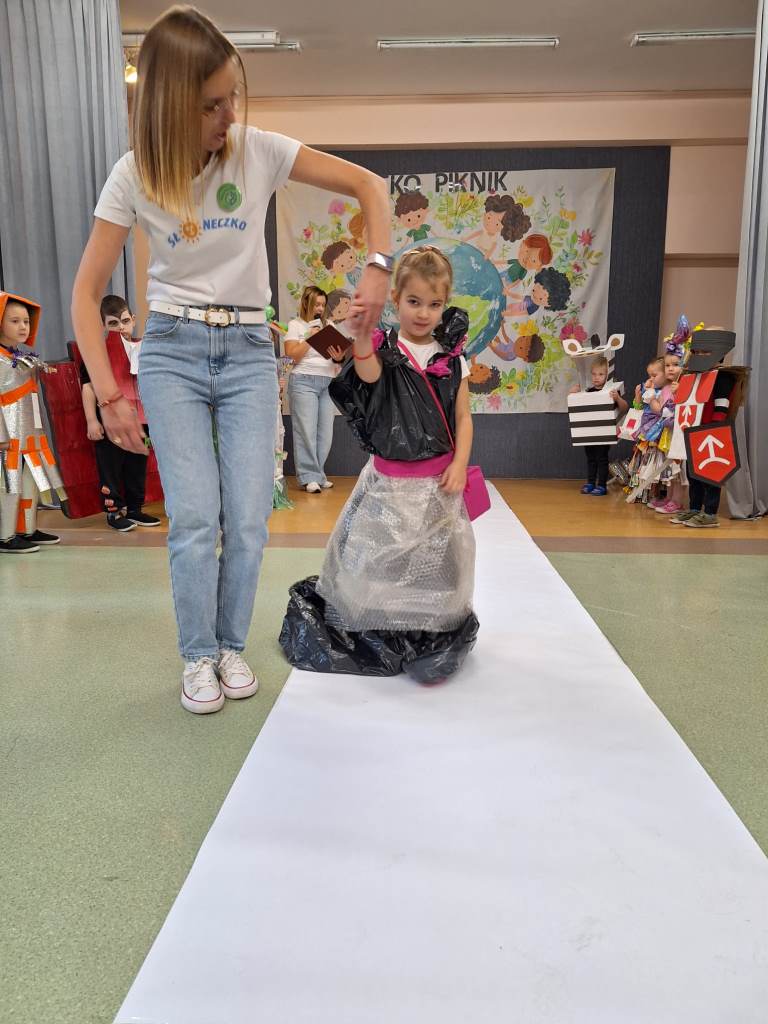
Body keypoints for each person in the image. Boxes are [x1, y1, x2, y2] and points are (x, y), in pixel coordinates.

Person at [71, 4, 391, 714]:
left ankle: (228, 646)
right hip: (172, 351)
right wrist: (110, 394)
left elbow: (370, 186)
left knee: (247, 517)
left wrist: (377, 267)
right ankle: (196, 655)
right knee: (194, 516)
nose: (229, 116)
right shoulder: (133, 175)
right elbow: (85, 295)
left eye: (232, 97)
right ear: (168, 105)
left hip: (248, 349)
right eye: (211, 105)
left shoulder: (259, 151)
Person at [280, 246, 479, 683]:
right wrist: (360, 331)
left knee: (437, 560)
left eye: (434, 304)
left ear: (445, 304)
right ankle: (383, 625)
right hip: (387, 485)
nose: (423, 313)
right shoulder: (385, 348)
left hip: (438, 484)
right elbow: (368, 374)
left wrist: (461, 462)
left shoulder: (452, 358)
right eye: (414, 301)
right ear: (395, 299)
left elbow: (463, 417)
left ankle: (431, 628)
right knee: (378, 557)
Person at [80, 295, 161, 532]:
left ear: (133, 320)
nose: (121, 328)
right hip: (110, 422)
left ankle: (135, 508)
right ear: (103, 326)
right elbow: (88, 387)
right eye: (113, 323)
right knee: (111, 467)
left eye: (125, 321)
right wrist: (92, 420)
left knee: (137, 464)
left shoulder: (142, 348)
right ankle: (113, 512)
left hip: (139, 421)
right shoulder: (97, 352)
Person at [0, 292, 66, 554]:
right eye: (14, 321)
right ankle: (5, 536)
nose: (23, 327)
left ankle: (26, 529)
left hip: (29, 437)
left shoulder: (20, 358)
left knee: (30, 484)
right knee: (9, 486)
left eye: (26, 321)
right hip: (8, 440)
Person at [284, 285, 347, 493]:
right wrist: (311, 337)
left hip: (327, 382)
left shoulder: (329, 325)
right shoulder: (295, 325)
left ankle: (318, 474)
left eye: (323, 305)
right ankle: (309, 476)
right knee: (306, 431)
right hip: (303, 381)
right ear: (306, 303)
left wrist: (339, 356)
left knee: (325, 433)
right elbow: (292, 355)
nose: (320, 308)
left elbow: (339, 356)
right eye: (317, 304)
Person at [569, 354, 628, 495]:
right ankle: (590, 482)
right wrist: (572, 393)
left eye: (601, 374)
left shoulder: (611, 392)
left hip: (604, 432)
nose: (596, 377)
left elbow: (624, 408)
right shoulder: (588, 391)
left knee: (601, 458)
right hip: (589, 431)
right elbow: (576, 404)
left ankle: (601, 485)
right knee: (590, 458)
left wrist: (617, 398)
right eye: (594, 374)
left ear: (607, 375)